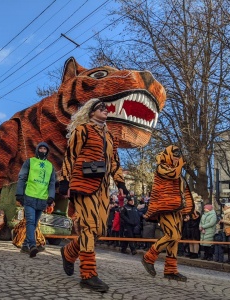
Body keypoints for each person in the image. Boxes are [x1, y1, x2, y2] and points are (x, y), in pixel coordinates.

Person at [58, 98, 129, 292]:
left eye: (106, 108)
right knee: (88, 227)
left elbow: (114, 161)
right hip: (83, 183)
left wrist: (121, 182)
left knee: (98, 230)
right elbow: (70, 156)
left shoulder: (110, 135)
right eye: (100, 108)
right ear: (90, 112)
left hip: (103, 188)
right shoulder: (82, 130)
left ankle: (69, 252)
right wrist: (65, 181)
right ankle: (88, 274)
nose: (105, 110)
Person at [141, 145, 194, 282]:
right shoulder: (162, 167)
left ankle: (171, 270)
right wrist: (180, 165)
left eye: (178, 157)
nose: (177, 159)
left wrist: (188, 210)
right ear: (169, 155)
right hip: (164, 207)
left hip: (177, 209)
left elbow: (184, 193)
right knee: (172, 235)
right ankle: (148, 257)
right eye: (175, 156)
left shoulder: (178, 174)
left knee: (175, 239)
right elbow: (173, 174)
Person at [15, 142, 56, 258]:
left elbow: (52, 183)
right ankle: (33, 246)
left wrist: (51, 197)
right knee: (30, 221)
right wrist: (19, 193)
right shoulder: (30, 161)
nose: (42, 150)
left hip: (42, 198)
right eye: (41, 148)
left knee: (34, 223)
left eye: (45, 149)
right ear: (37, 149)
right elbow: (22, 177)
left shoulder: (50, 166)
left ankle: (24, 245)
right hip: (29, 195)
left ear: (47, 151)